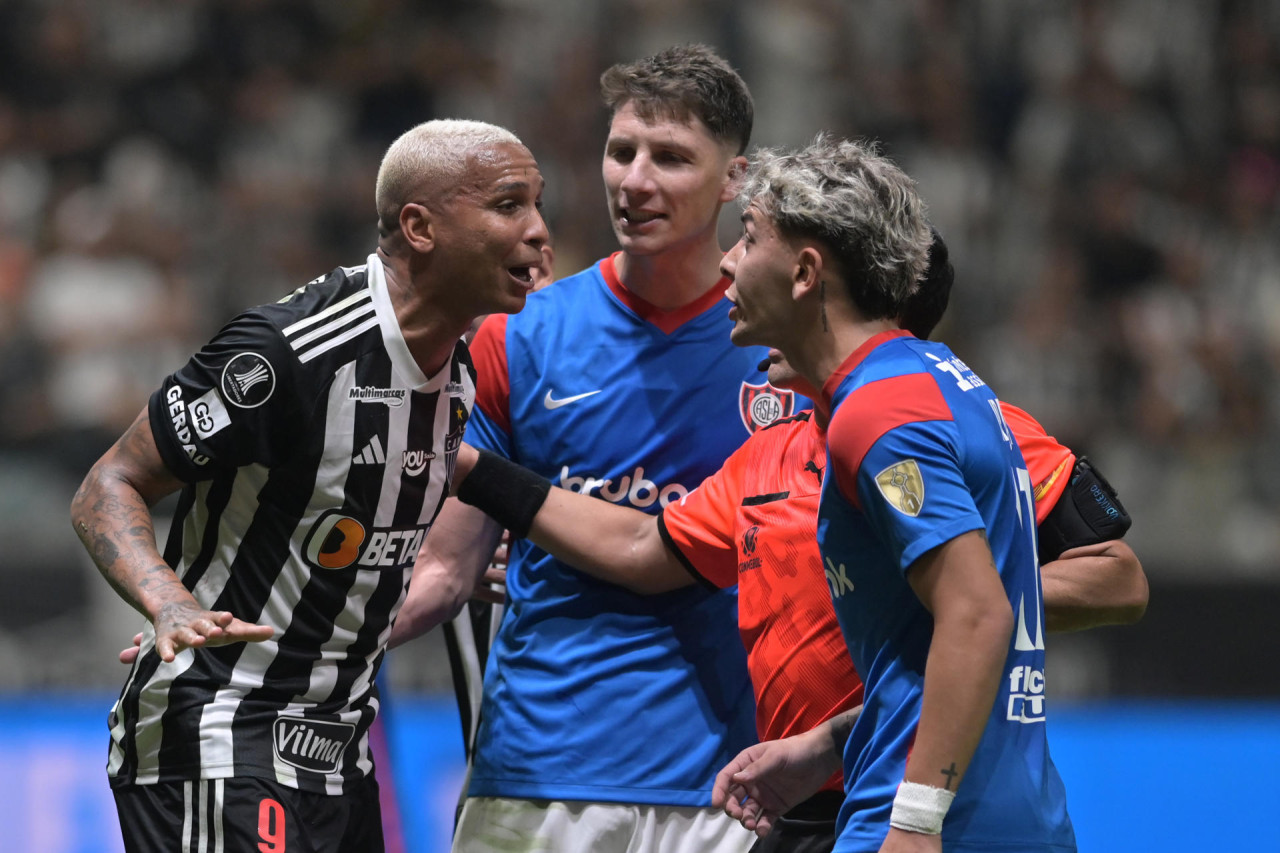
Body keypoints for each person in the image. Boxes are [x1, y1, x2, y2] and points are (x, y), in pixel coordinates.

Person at [443, 227, 1145, 853]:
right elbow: (642, 548)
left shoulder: (955, 420)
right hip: (800, 796)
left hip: (919, 792)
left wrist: (966, 594)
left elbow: (1117, 575)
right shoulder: (772, 451)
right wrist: (473, 469)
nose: (733, 280)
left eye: (753, 249)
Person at [70, 118, 549, 853]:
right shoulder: (287, 353)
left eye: (537, 205)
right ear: (420, 226)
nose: (539, 231)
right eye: (509, 206)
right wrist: (168, 600)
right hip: (220, 733)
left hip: (340, 755)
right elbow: (107, 482)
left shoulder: (456, 376)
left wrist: (449, 569)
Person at [390, 44, 782, 853]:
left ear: (735, 177)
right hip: (542, 774)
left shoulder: (785, 351)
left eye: (670, 157)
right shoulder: (519, 337)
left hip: (732, 784)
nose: (635, 180)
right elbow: (444, 569)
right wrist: (287, 638)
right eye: (622, 150)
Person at [697, 133, 1079, 851]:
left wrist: (915, 820)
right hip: (1007, 812)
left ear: (806, 271)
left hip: (927, 823)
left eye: (747, 239)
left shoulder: (877, 413)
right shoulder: (938, 378)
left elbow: (975, 613)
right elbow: (927, 637)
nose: (727, 261)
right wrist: (830, 744)